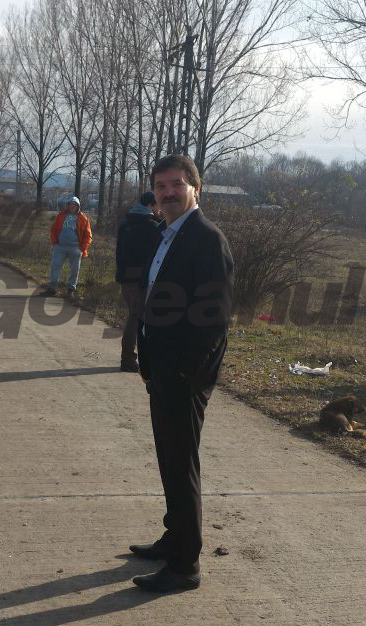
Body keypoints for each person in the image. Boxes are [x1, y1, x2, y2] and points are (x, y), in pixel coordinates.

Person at [131, 154, 234, 593]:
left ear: (196, 188)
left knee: (181, 464)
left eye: (176, 184)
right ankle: (174, 536)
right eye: (160, 186)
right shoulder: (168, 234)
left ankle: (185, 564)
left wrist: (185, 375)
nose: (167, 193)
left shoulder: (206, 240)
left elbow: (214, 319)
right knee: (168, 460)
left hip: (183, 377)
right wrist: (149, 362)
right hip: (164, 370)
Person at [115, 191, 163, 372]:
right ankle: (128, 359)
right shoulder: (152, 227)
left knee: (138, 317)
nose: (160, 209)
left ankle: (142, 356)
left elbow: (118, 252)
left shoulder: (125, 224)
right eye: (158, 205)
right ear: (151, 205)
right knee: (136, 317)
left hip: (125, 277)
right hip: (141, 279)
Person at [39, 196, 92, 298]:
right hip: (60, 247)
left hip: (75, 248)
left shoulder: (83, 218)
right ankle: (52, 289)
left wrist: (82, 249)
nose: (72, 206)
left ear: (78, 206)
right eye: (70, 204)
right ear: (67, 205)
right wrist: (55, 243)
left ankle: (70, 290)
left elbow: (88, 235)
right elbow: (54, 229)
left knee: (74, 270)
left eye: (74, 205)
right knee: (55, 267)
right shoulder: (61, 215)